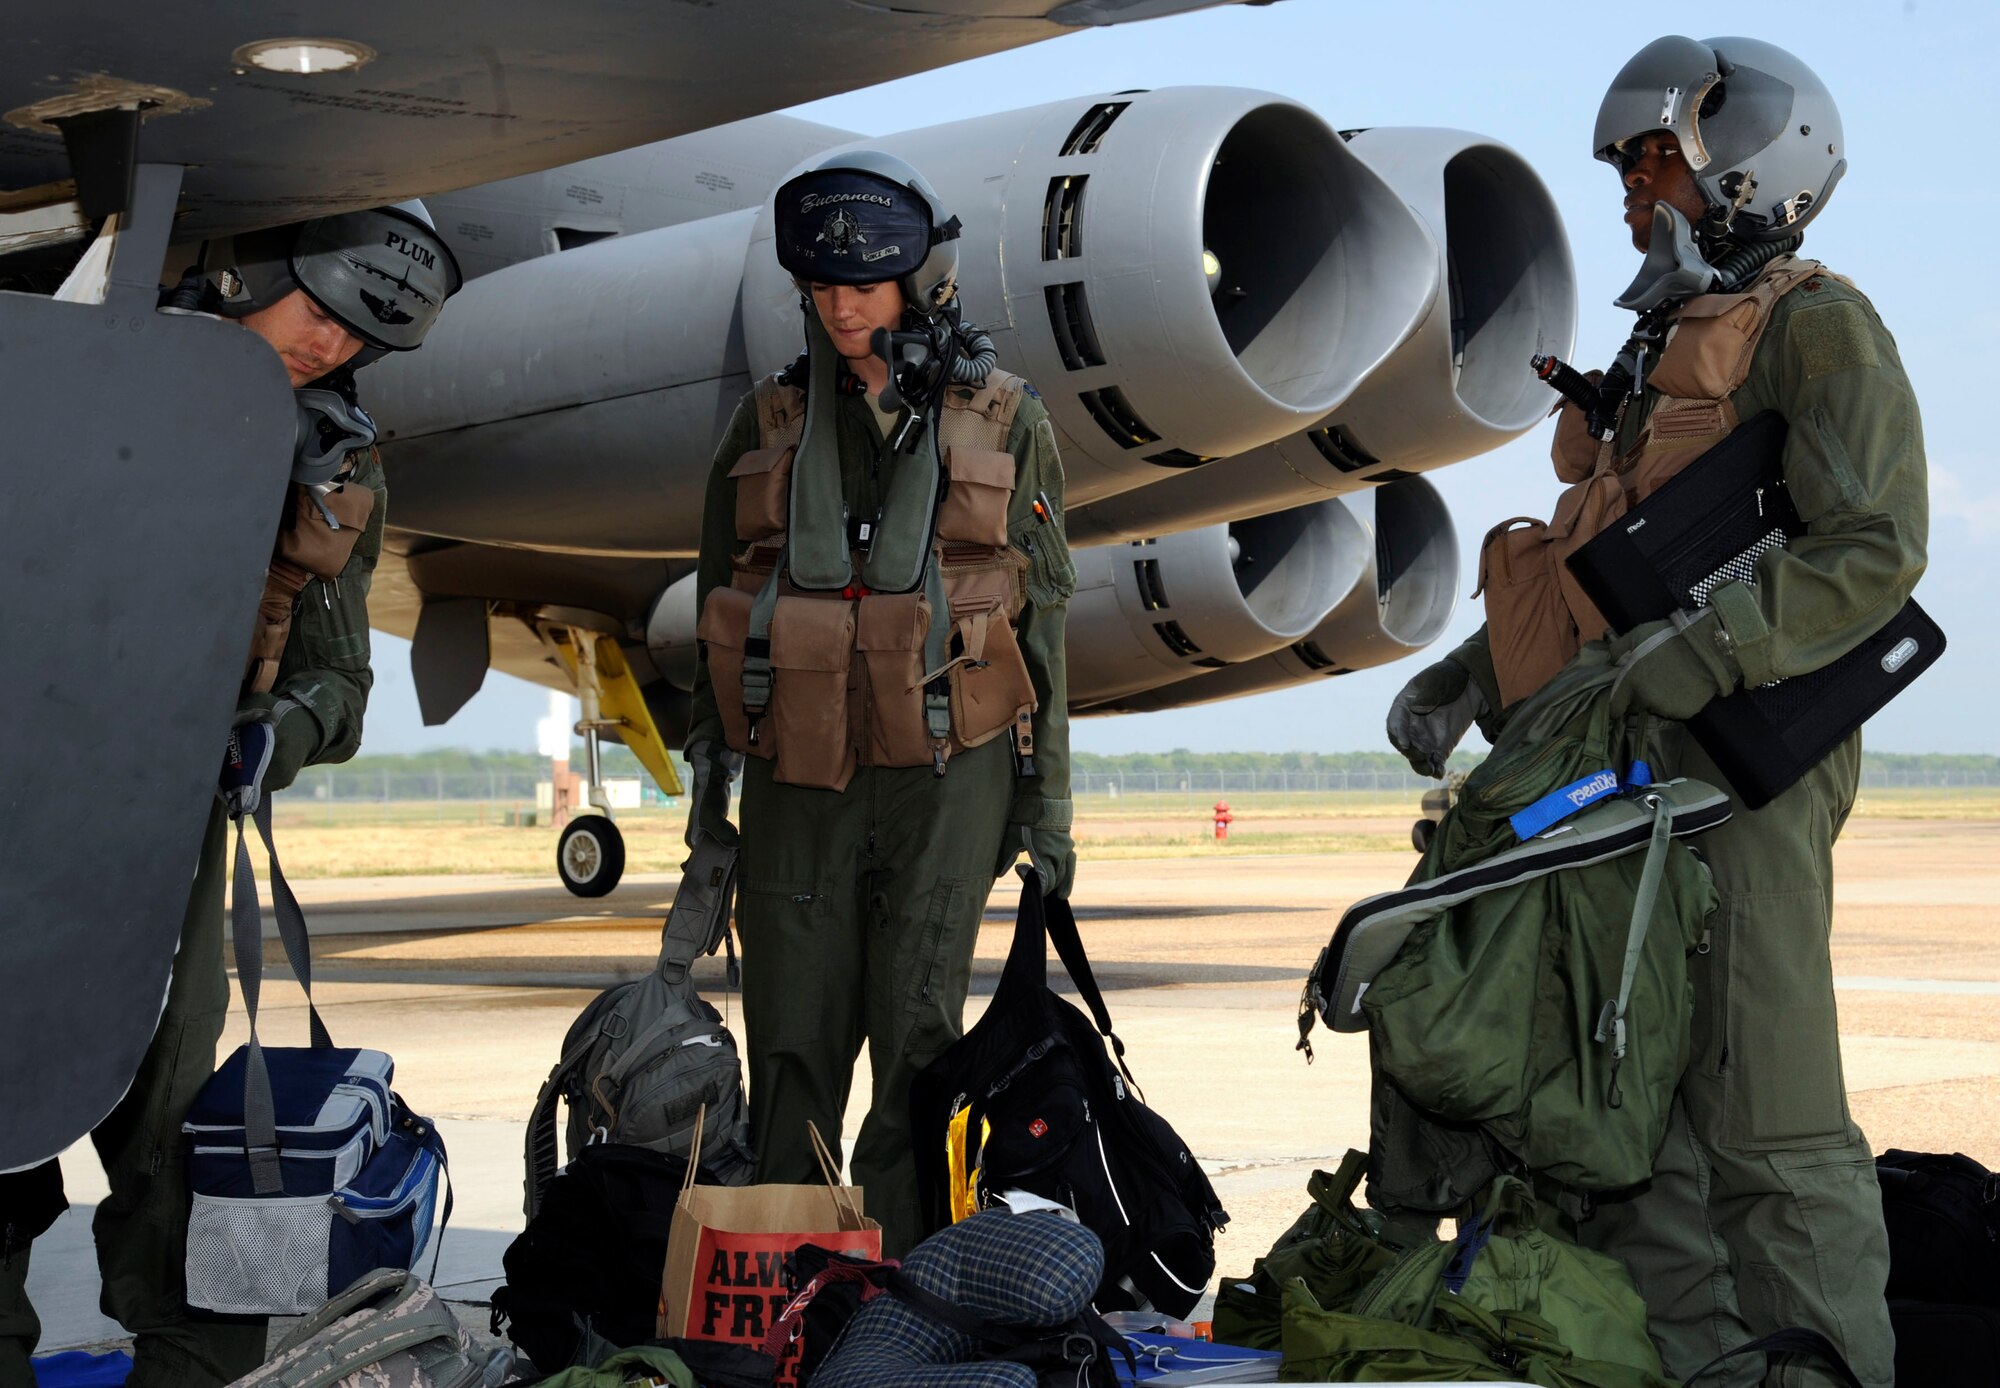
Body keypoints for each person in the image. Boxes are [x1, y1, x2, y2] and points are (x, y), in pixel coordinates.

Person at [1387, 36, 1920, 1387]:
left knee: (1769, 1134)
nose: (1631, 187)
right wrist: (1471, 677)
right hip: (1619, 786)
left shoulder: (1818, 326)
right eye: (1630, 163)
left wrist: (1713, 647)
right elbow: (1602, 565)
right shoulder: (1659, 353)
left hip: (1743, 782)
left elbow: (1875, 543)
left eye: (1654, 159)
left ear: (1748, 168)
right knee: (1641, 1142)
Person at [0, 204, 461, 1388]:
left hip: (173, 824)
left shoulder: (340, 462)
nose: (329, 349)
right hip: (24, 794)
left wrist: (277, 733)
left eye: (361, 339)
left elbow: (339, 683)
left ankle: (193, 1367)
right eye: (318, 313)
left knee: (173, 1130)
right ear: (252, 268)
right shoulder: (80, 370)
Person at [682, 149, 1074, 1257]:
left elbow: (1042, 626)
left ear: (920, 277)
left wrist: (1046, 815)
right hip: (795, 780)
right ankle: (785, 1290)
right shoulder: (766, 425)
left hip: (947, 776)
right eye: (823, 283)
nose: (844, 302)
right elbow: (720, 595)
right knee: (793, 1042)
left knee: (917, 1043)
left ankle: (903, 1289)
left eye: (867, 280)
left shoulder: (1005, 418)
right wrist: (707, 800)